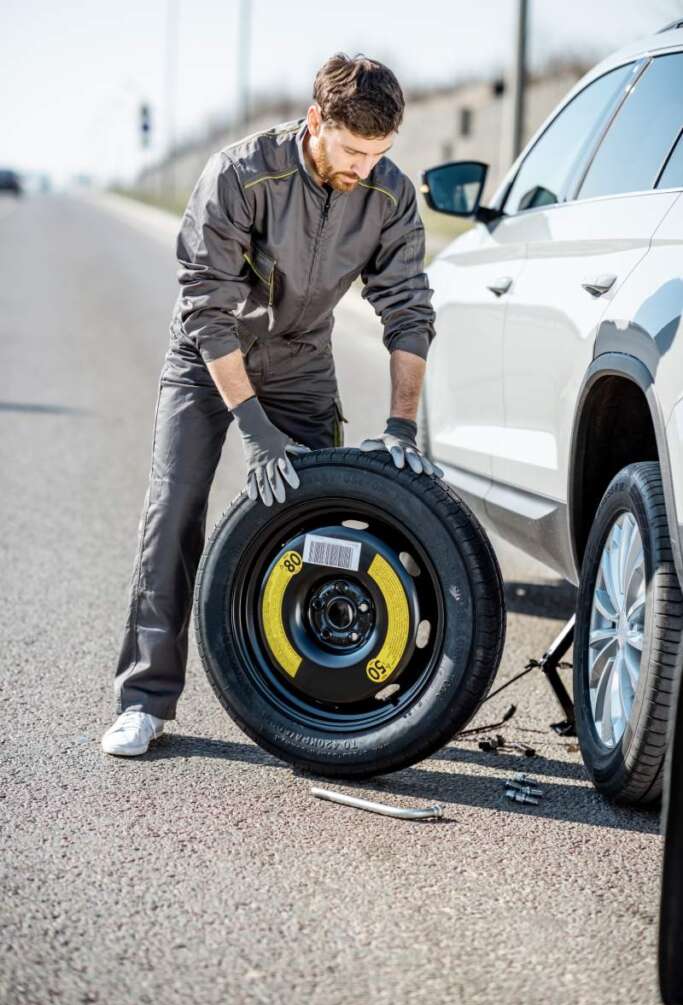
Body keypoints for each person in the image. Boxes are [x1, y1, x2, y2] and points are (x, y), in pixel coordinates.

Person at [102, 52, 442, 757]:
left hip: (301, 363)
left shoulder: (388, 193)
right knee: (173, 516)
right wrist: (254, 430)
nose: (363, 167)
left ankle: (312, 694)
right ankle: (143, 700)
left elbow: (407, 308)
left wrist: (402, 425)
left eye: (378, 154)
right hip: (205, 360)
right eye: (351, 150)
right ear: (315, 120)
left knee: (321, 517)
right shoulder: (239, 174)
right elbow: (206, 308)